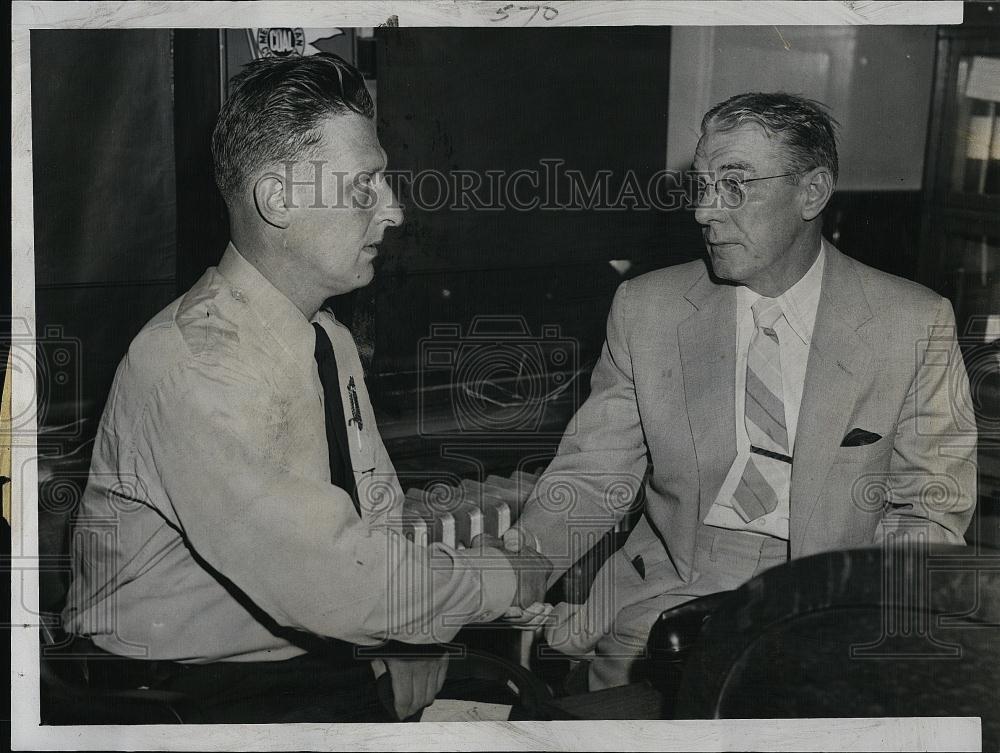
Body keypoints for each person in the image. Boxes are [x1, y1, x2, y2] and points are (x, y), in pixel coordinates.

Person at [61, 53, 550, 722]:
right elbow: (329, 581)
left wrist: (402, 639)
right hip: (170, 697)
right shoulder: (192, 362)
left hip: (296, 666)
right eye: (365, 186)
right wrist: (497, 577)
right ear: (277, 199)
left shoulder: (329, 341)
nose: (395, 212)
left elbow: (376, 524)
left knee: (516, 703)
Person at [503, 92, 978, 691]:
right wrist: (523, 564)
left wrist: (844, 615)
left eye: (735, 184)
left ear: (812, 192)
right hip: (662, 587)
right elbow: (595, 471)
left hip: (821, 591)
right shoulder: (647, 308)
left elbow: (929, 508)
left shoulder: (912, 321)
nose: (705, 211)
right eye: (701, 185)